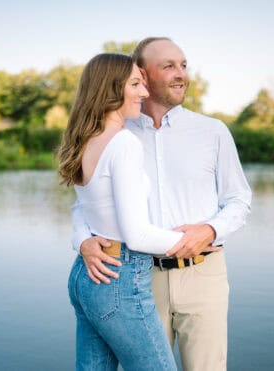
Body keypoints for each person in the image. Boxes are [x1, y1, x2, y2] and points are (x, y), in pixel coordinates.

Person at [72, 38, 252, 370]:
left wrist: (210, 230)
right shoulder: (117, 132)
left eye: (183, 65)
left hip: (203, 273)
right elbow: (86, 202)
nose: (181, 74)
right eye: (168, 66)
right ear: (141, 73)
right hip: (137, 275)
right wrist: (83, 240)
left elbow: (239, 200)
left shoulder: (212, 131)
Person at [58, 53, 189, 371]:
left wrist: (82, 241)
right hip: (119, 275)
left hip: (86, 276)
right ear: (109, 88)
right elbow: (137, 233)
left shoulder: (84, 139)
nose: (144, 93)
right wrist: (188, 242)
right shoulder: (123, 143)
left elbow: (84, 209)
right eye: (135, 84)